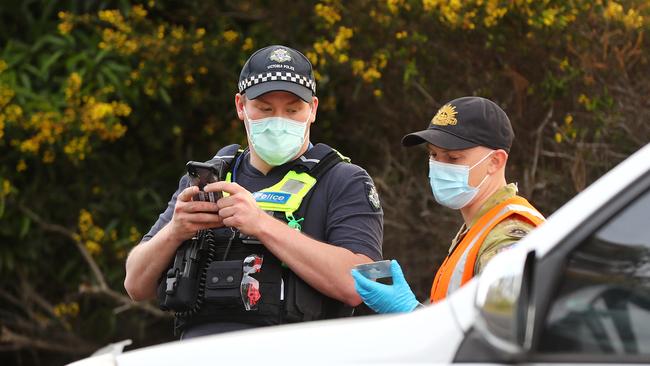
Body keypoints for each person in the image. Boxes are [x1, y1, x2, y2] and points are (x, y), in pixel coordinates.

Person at [124, 45, 383, 337]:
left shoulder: (344, 180)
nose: (278, 120)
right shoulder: (206, 179)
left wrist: (261, 224)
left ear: (312, 110)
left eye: (293, 109)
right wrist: (175, 231)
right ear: (240, 106)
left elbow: (361, 285)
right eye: (265, 108)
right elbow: (135, 284)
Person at [351, 96, 544, 313]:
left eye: (453, 158)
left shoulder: (508, 234)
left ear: (495, 161)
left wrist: (410, 311)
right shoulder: (480, 225)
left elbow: (501, 331)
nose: (439, 166)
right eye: (433, 154)